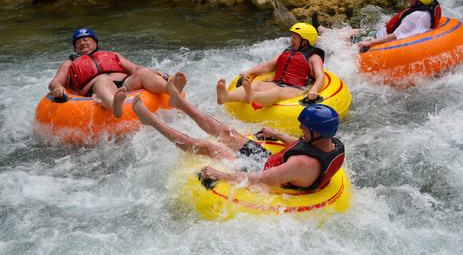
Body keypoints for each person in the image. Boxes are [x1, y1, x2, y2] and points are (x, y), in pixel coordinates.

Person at [132, 75, 345, 190]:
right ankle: (180, 102)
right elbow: (302, 145)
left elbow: (260, 180)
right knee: (226, 131)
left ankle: (152, 122)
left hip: (261, 172)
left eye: (305, 128)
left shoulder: (301, 165)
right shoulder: (329, 142)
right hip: (272, 162)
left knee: (207, 146)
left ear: (317, 132)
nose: (300, 130)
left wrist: (219, 175)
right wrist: (278, 135)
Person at [48, 28, 184, 118]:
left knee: (142, 72)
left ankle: (170, 90)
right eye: (78, 42)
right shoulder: (69, 63)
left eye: (86, 39)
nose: (82, 43)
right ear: (75, 48)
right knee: (102, 80)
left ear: (95, 42)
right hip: (97, 88)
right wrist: (57, 88)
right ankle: (114, 104)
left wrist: (152, 71)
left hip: (124, 84)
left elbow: (135, 69)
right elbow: (55, 82)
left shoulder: (112, 55)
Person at [216, 22, 326, 107]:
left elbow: (320, 76)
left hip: (295, 88)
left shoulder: (314, 57)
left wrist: (314, 90)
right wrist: (248, 72)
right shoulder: (288, 52)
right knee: (256, 85)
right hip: (277, 82)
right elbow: (267, 66)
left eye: (294, 38)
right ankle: (226, 97)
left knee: (277, 91)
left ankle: (253, 96)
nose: (291, 41)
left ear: (305, 41)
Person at [315, 0, 441, 51]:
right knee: (357, 31)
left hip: (382, 41)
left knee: (349, 39)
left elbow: (393, 36)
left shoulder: (415, 17)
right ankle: (323, 30)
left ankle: (313, 39)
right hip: (382, 33)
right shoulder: (424, 9)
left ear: (419, 0)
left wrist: (368, 43)